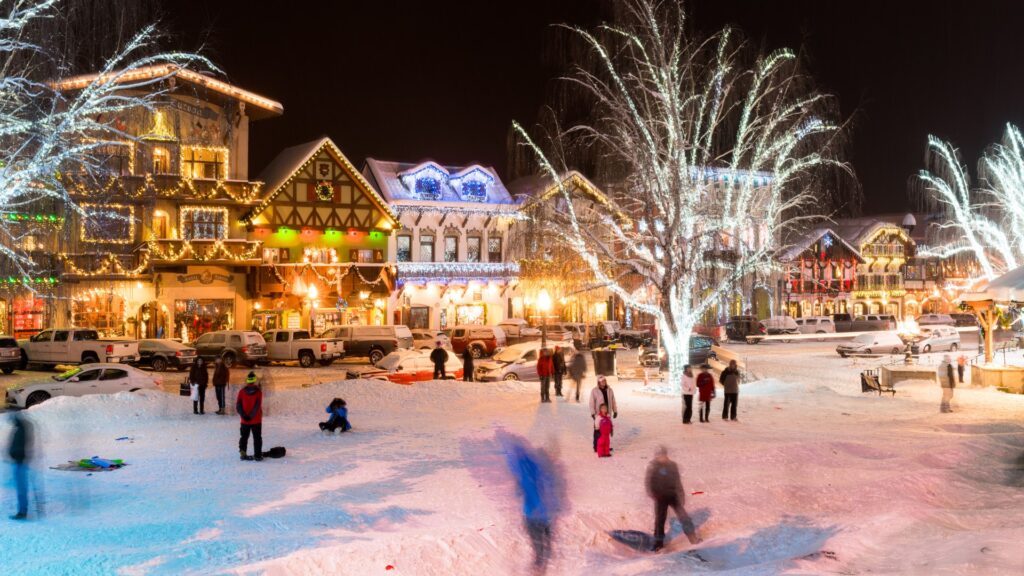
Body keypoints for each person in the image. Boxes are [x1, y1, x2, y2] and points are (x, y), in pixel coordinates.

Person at [645, 446, 700, 551]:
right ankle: (658, 544)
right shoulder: (653, 466)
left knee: (684, 517)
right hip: (660, 497)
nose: (661, 457)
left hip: (673, 495)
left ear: (666, 455)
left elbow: (677, 481)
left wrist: (681, 495)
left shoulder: (672, 465)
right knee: (660, 520)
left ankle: (693, 538)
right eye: (659, 455)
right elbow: (649, 482)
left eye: (663, 455)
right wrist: (653, 494)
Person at [7, 412, 34, 520]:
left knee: (21, 488)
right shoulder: (19, 429)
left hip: (20, 462)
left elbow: (19, 447)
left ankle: (22, 512)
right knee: (20, 487)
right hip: (18, 461)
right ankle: (22, 510)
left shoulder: (20, 430)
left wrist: (14, 454)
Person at [237, 372, 263, 461]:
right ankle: (258, 455)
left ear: (247, 380)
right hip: (256, 420)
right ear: (255, 380)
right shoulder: (258, 392)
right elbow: (257, 406)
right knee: (257, 438)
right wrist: (251, 416)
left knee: (243, 437)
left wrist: (244, 416)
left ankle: (243, 454)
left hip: (244, 421)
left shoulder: (241, 392)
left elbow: (238, 405)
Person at [589, 376, 618, 451]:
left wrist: (615, 410)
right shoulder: (594, 391)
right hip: (599, 414)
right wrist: (593, 413)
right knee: (597, 430)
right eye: (602, 381)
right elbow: (591, 402)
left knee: (606, 430)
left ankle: (605, 446)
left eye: (604, 381)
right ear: (598, 382)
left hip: (607, 414)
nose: (603, 382)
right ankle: (596, 447)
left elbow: (613, 401)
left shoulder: (609, 390)